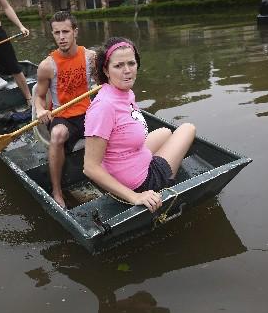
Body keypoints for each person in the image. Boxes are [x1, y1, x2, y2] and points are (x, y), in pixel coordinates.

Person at [83, 37, 196, 213]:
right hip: (137, 183)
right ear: (105, 70)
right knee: (188, 129)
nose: (127, 71)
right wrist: (134, 196)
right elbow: (90, 168)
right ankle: (166, 179)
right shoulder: (103, 107)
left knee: (165, 132)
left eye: (131, 63)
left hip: (127, 163)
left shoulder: (122, 91)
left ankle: (159, 161)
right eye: (118, 66)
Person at [35, 11, 96, 208]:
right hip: (63, 115)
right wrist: (39, 110)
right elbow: (40, 96)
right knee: (58, 135)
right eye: (56, 33)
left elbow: (104, 82)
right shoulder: (47, 66)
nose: (61, 37)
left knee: (115, 124)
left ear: (75, 32)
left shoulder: (91, 57)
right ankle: (57, 190)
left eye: (66, 31)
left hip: (89, 112)